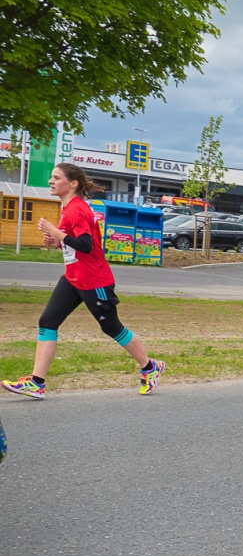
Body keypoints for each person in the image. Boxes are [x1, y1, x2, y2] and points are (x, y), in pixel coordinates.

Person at [1, 163, 164, 400]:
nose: (51, 181)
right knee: (47, 321)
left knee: (111, 327)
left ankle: (150, 367)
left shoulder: (78, 209)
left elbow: (86, 246)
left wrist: (55, 232)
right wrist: (57, 242)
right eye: (51, 177)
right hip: (73, 278)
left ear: (72, 183)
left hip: (94, 281)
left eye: (56, 177)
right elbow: (74, 244)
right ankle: (37, 383)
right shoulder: (68, 208)